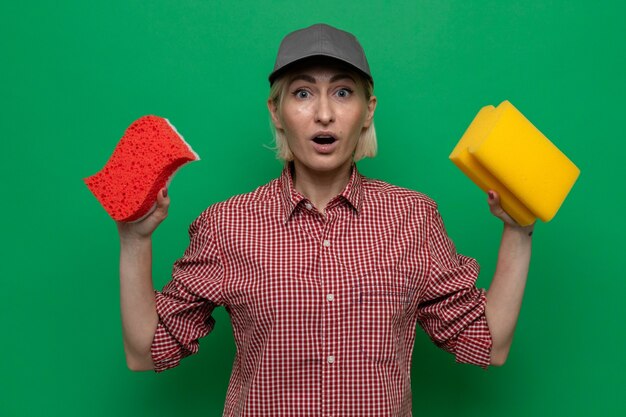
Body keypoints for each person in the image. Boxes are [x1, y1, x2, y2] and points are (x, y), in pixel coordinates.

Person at [116, 23, 533, 416]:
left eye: (342, 93)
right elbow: (145, 352)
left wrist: (518, 231)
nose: (323, 114)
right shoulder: (227, 224)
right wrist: (135, 240)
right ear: (276, 111)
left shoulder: (413, 218)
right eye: (301, 94)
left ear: (367, 110)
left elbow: (488, 342)